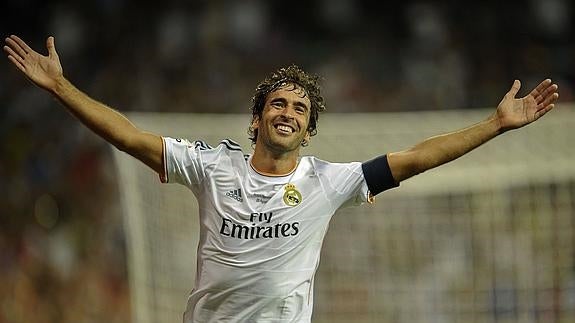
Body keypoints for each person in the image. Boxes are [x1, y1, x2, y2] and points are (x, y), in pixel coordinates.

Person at [3, 35, 559, 322]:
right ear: (257, 118)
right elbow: (128, 135)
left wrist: (495, 124)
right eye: (277, 102)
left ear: (309, 130)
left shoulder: (328, 180)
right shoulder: (211, 166)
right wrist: (60, 88)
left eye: (299, 107)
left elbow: (415, 158)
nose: (287, 110)